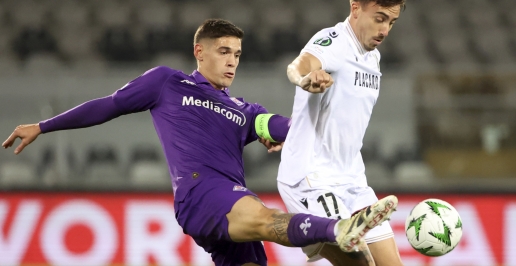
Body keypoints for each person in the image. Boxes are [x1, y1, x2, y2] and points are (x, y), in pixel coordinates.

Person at [3, 19, 397, 266]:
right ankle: (337, 228)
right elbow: (109, 106)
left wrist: (323, 115)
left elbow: (283, 125)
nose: (232, 62)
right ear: (199, 52)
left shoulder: (243, 110)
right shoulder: (168, 83)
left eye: (238, 55)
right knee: (263, 219)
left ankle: (339, 233)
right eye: (224, 52)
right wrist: (43, 125)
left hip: (223, 204)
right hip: (202, 191)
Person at [275, 0, 408, 265]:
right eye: (379, 18)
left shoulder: (373, 56)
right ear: (356, 9)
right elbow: (298, 65)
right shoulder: (333, 41)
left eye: (391, 21)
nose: (385, 30)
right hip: (311, 179)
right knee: (359, 264)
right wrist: (305, 79)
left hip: (352, 180)